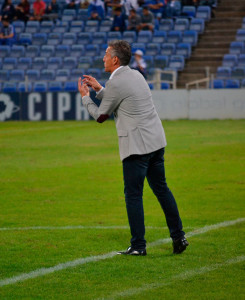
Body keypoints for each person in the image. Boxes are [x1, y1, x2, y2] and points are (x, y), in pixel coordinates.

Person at [78, 40, 189, 256]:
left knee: (133, 195)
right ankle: (179, 237)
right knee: (162, 190)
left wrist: (85, 97)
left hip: (137, 147)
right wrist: (100, 89)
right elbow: (121, 99)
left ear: (115, 59)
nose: (103, 58)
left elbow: (102, 115)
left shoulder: (116, 83)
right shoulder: (136, 74)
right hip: (156, 142)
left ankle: (138, 246)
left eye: (106, 55)